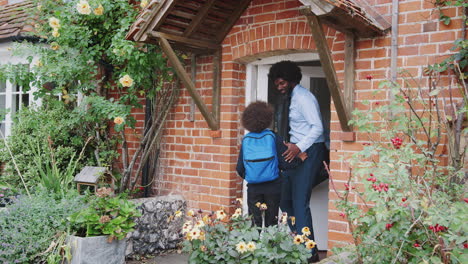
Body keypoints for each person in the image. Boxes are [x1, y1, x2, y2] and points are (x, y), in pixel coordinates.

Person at [268, 60, 326, 263]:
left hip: (310, 151)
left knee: (300, 201)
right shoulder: (288, 99)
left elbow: (318, 128)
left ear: (292, 80)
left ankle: (309, 254)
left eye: (282, 83)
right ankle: (300, 243)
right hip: (294, 151)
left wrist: (299, 147)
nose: (280, 87)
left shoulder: (304, 98)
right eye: (277, 84)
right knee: (285, 200)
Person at [236, 101, 307, 228]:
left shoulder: (246, 140)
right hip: (273, 187)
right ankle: (270, 247)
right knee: (272, 224)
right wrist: (300, 159)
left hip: (253, 188)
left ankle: (253, 247)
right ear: (268, 118)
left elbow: (240, 168)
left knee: (254, 224)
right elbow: (285, 164)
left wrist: (253, 176)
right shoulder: (274, 137)